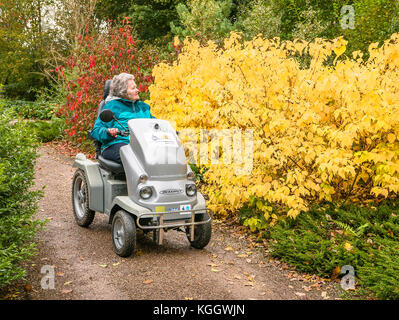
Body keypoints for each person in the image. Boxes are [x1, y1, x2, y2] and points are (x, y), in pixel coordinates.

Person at [90, 73, 156, 164]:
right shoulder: (111, 107)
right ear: (123, 92)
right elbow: (96, 130)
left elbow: (156, 125)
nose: (137, 90)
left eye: (136, 87)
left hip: (143, 145)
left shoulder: (143, 107)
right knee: (133, 157)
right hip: (117, 144)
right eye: (133, 88)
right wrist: (108, 132)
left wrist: (170, 132)